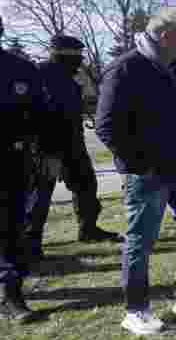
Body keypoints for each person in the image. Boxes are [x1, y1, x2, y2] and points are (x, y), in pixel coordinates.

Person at [96, 6, 176, 335]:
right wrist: (141, 165)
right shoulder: (124, 70)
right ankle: (136, 310)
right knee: (141, 240)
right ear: (166, 37)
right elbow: (106, 127)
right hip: (148, 174)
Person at [25, 35, 121, 264]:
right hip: (47, 146)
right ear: (64, 55)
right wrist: (42, 147)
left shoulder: (70, 77)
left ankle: (88, 229)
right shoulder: (40, 74)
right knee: (40, 196)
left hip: (72, 143)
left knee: (86, 185)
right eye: (77, 55)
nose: (81, 59)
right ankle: (30, 244)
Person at [1, 18, 66, 323]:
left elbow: (43, 115)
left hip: (13, 160)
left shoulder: (20, 69)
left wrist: (51, 153)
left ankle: (11, 292)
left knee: (12, 227)